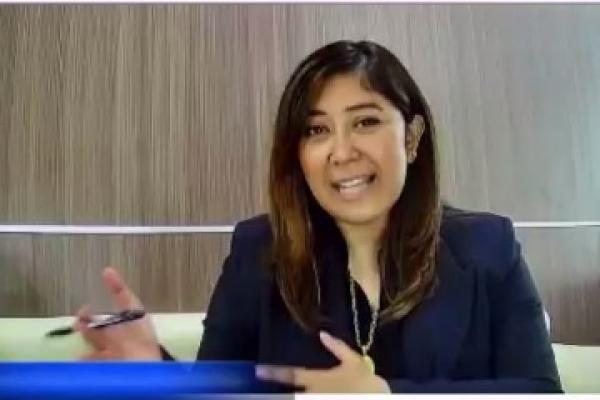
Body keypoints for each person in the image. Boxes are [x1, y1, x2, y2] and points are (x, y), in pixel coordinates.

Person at [75, 40, 562, 393]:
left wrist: (387, 397)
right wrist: (158, 371)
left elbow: (541, 392)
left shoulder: (488, 246)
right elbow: (219, 390)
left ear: (412, 139)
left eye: (365, 122)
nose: (342, 152)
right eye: (316, 130)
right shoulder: (257, 252)